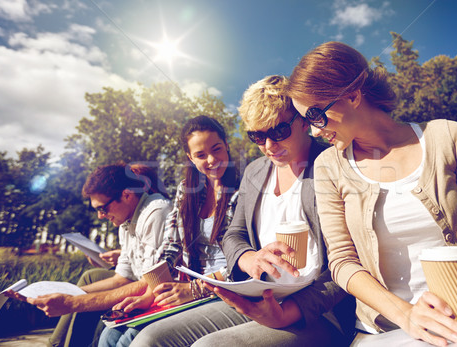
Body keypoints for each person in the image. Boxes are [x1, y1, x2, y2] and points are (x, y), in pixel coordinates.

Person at [286, 41, 457, 347]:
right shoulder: (329, 166)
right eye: (308, 121)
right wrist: (407, 315)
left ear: (353, 95)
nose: (314, 131)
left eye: (316, 116)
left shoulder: (447, 137)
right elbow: (343, 262)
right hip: (383, 334)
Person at [129, 75, 355, 347]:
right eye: (257, 136)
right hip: (258, 296)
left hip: (316, 310)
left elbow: (348, 260)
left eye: (279, 131)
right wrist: (248, 258)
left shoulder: (332, 165)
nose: (269, 146)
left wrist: (286, 313)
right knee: (149, 339)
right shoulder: (256, 171)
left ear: (303, 120)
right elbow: (232, 235)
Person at [98, 115, 240, 347]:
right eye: (201, 155)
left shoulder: (241, 190)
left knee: (133, 340)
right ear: (190, 158)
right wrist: (151, 293)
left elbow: (241, 263)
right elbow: (171, 247)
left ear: (227, 146)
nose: (212, 160)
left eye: (217, 149)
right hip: (189, 288)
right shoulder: (186, 191)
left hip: (223, 289)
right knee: (111, 335)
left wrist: (194, 289)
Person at [9, 162, 173, 347]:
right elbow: (122, 278)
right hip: (145, 290)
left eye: (102, 208)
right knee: (106, 333)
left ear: (127, 195)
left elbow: (151, 282)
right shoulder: (125, 220)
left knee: (108, 338)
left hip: (162, 295)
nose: (100, 216)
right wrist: (61, 292)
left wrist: (74, 302)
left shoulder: (156, 213)